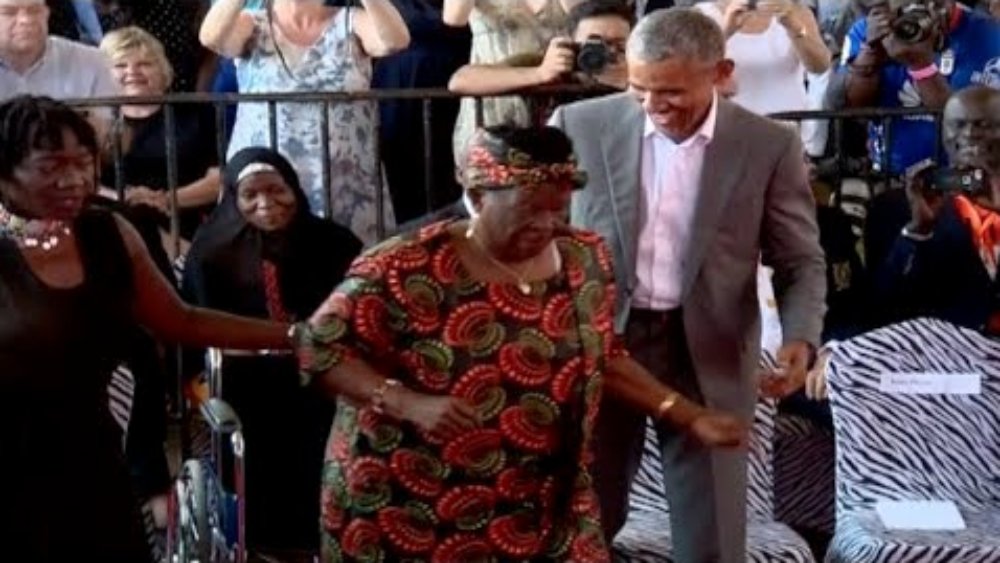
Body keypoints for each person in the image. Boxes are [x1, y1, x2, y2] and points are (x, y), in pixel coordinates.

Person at [297, 124, 748, 563]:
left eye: (558, 210)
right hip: (413, 501)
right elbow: (319, 349)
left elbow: (604, 358)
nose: (547, 225)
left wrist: (689, 416)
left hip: (547, 499)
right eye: (530, 209)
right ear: (477, 198)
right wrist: (405, 401)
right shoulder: (405, 265)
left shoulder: (585, 258)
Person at [550, 8, 827, 562]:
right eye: (639, 89)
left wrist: (801, 335)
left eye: (671, 92)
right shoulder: (580, 126)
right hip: (606, 345)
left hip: (713, 351)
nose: (653, 106)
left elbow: (799, 259)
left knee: (714, 539)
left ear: (721, 73)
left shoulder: (768, 144)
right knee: (581, 522)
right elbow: (543, 233)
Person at [0, 95, 295, 562]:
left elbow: (182, 319)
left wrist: (292, 336)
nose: (74, 179)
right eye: (51, 166)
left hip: (91, 458)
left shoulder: (109, 234)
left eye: (83, 162)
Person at [182, 146, 362, 553]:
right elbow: (197, 332)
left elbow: (358, 313)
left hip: (320, 375)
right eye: (252, 196)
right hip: (246, 384)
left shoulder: (333, 242)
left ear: (294, 188)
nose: (267, 204)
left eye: (277, 190)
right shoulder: (212, 253)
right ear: (233, 198)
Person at [200, 0, 411, 245]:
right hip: (266, 185)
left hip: (346, 183)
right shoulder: (251, 22)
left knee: (354, 272)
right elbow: (212, 38)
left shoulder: (352, 21)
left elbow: (395, 41)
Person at [871, 86, 1000, 332]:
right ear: (943, 132)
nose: (970, 134)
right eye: (958, 125)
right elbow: (883, 303)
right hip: (939, 356)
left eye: (983, 125)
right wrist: (918, 231)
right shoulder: (897, 206)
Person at [826, 0, 1000, 175]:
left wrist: (920, 65)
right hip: (890, 177)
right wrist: (870, 53)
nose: (921, 8)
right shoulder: (869, 29)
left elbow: (965, 127)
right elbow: (853, 107)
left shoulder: (992, 36)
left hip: (963, 179)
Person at [98, 26, 220, 247]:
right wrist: (125, 201)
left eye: (144, 64)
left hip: (188, 222)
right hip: (114, 226)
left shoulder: (197, 112)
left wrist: (164, 200)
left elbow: (219, 179)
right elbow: (84, 183)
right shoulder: (95, 120)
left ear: (163, 69)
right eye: (120, 65)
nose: (132, 72)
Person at [443, 0, 584, 164]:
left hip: (556, 95)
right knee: (493, 174)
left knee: (561, 172)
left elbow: (584, 16)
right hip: (493, 94)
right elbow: (453, 18)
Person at [374, 0, 471, 224]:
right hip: (397, 86)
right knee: (401, 174)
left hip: (457, 82)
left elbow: (457, 21)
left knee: (449, 174)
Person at [448, 0, 633, 97]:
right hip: (497, 83)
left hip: (568, 74)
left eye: (619, 45)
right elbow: (454, 18)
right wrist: (540, 72)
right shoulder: (530, 63)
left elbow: (586, 15)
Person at [0, 0, 118, 101]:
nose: (25, 20)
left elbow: (107, 124)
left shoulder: (92, 62)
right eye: (9, 12)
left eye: (35, 11)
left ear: (47, 14)